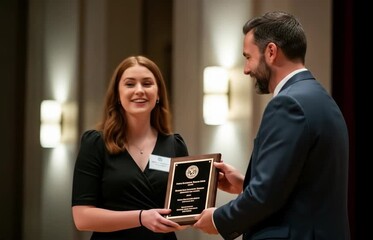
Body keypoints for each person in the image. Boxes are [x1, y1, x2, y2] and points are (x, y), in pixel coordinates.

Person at [193, 11, 350, 240]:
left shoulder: (288, 104)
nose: (246, 69)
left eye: (248, 57)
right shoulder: (320, 98)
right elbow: (298, 184)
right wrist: (243, 184)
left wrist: (218, 219)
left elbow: (265, 195)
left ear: (271, 51)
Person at [71, 55, 189, 240]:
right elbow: (82, 218)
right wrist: (141, 218)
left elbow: (185, 209)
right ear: (117, 95)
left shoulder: (175, 145)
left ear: (158, 94)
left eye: (147, 83)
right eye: (130, 84)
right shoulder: (95, 144)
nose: (139, 90)